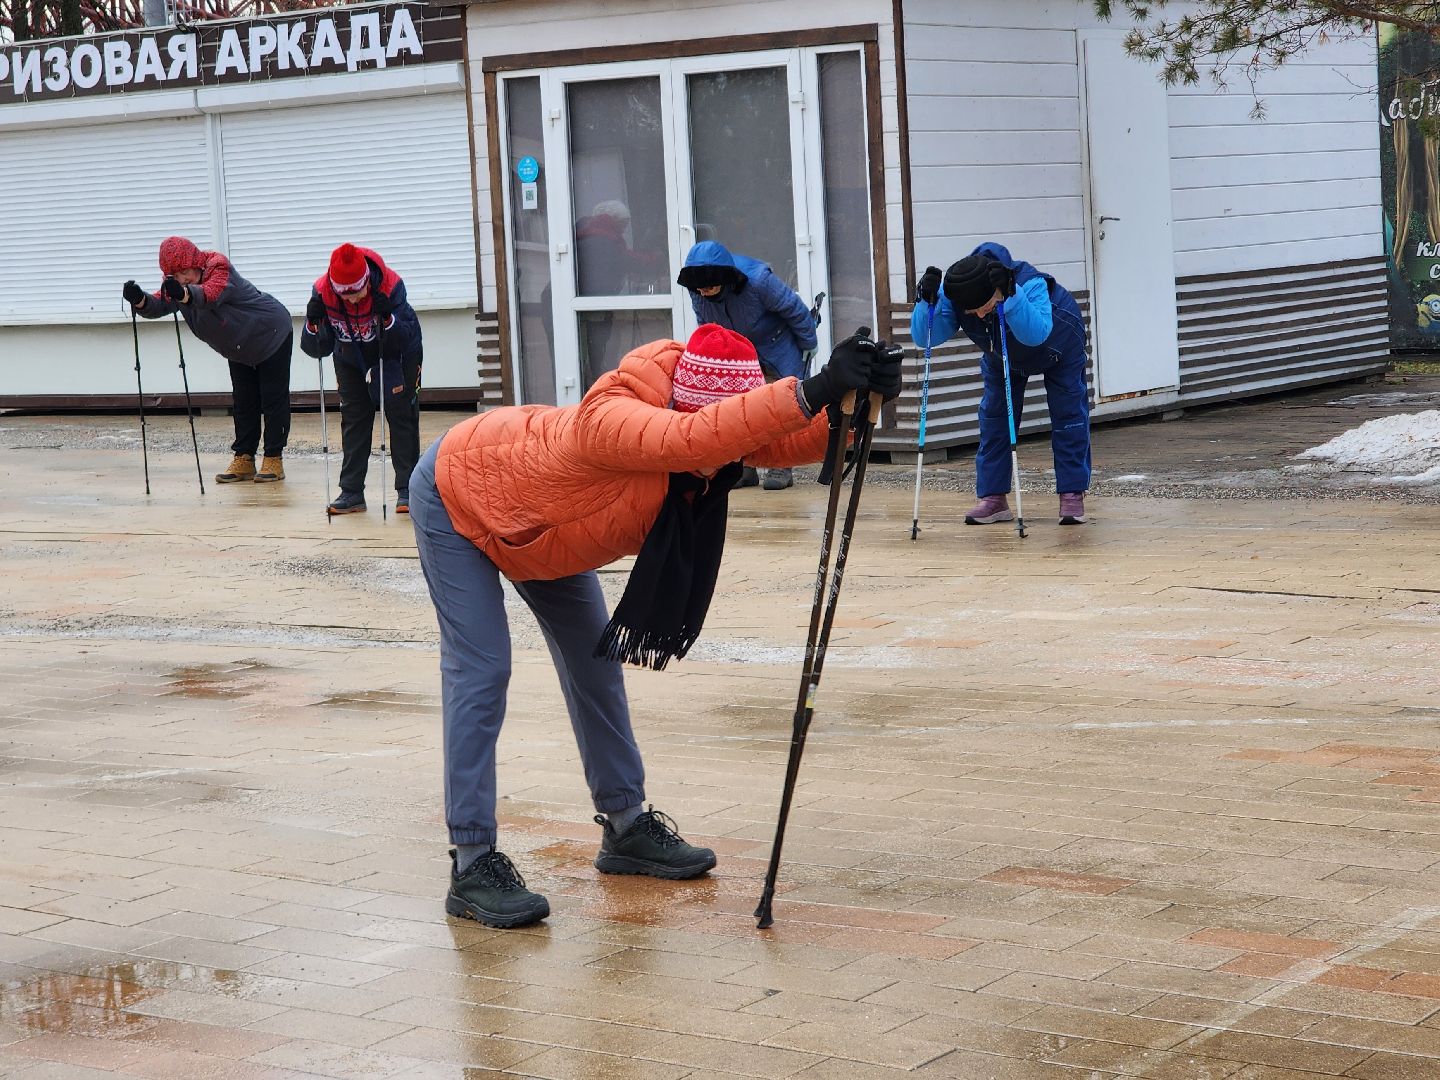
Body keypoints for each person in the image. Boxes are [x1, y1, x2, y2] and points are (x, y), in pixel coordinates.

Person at [409, 323, 901, 928]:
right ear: (685, 403)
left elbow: (763, 439)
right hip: (460, 492)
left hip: (542, 525)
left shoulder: (701, 425)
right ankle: (472, 860)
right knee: (482, 670)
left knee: (596, 662)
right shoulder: (613, 420)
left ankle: (625, 828)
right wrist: (813, 386)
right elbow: (697, 440)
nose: (730, 457)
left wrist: (848, 408)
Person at [913, 242, 1091, 526]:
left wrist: (1010, 298)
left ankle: (1072, 493)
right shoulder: (956, 290)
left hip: (1057, 343)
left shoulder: (1027, 283)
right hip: (1001, 351)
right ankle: (994, 498)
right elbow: (927, 338)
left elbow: (1036, 334)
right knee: (995, 417)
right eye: (973, 313)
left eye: (986, 308)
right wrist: (927, 303)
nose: (981, 315)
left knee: (1068, 415)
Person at [123, 237, 293, 484]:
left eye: (184, 272)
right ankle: (244, 458)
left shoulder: (219, 268)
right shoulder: (178, 287)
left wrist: (182, 293)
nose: (182, 278)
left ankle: (274, 459)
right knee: (244, 400)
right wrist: (139, 300)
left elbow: (210, 295)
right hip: (239, 346)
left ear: (195, 263)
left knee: (272, 397)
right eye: (175, 275)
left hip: (270, 333)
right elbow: (160, 304)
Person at [677, 241, 819, 491]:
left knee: (781, 406)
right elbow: (704, 323)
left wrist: (809, 342)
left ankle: (780, 466)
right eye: (699, 288)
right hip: (738, 351)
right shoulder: (698, 289)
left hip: (777, 344)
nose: (704, 292)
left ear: (726, 277)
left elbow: (794, 310)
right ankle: (746, 466)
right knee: (740, 408)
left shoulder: (759, 281)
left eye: (709, 286)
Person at [300, 244, 423, 515]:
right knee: (354, 417)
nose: (352, 299)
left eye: (356, 291)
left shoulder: (391, 287)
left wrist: (388, 318)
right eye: (344, 294)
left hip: (394, 352)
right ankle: (352, 493)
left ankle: (408, 491)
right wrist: (312, 324)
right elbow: (314, 350)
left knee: (400, 412)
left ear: (367, 280)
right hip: (348, 354)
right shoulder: (322, 292)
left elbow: (404, 337)